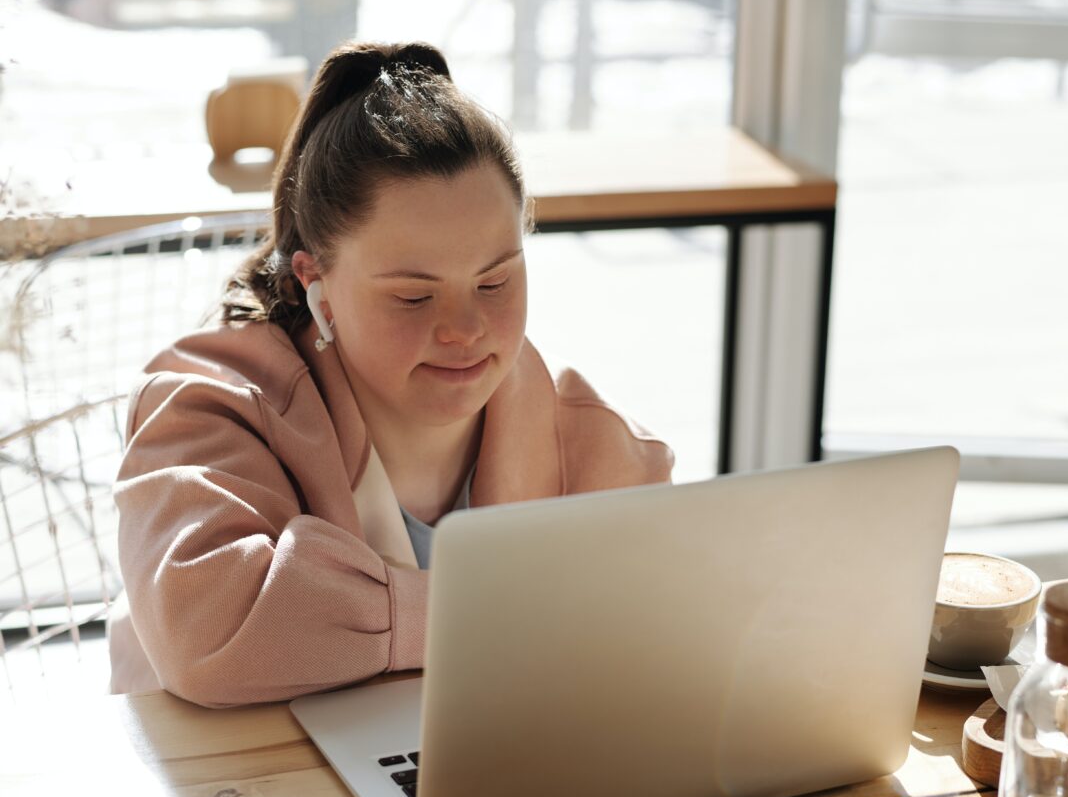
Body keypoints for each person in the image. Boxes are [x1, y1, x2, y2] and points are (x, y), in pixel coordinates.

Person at [107, 41, 674, 708]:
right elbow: (209, 630)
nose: (465, 328)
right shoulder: (211, 405)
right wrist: (500, 615)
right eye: (414, 294)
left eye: (494, 281)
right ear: (316, 281)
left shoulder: (594, 442)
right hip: (229, 795)